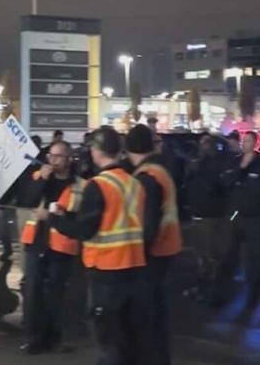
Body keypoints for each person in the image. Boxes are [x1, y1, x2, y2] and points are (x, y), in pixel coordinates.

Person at [50, 128, 150, 365]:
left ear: (96, 151)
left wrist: (56, 219)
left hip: (106, 269)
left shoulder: (98, 185)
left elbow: (85, 230)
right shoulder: (134, 183)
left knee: (107, 333)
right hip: (135, 265)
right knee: (128, 331)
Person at [19, 141, 86, 354]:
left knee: (56, 292)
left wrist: (62, 217)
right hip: (37, 240)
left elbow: (82, 217)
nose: (53, 160)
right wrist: (43, 179)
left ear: (69, 159)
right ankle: (33, 337)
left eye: (58, 156)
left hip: (62, 245)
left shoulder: (81, 185)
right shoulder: (40, 177)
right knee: (33, 291)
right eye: (50, 155)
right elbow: (27, 200)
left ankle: (55, 336)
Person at [126, 125, 182, 365]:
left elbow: (147, 225)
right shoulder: (160, 170)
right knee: (156, 314)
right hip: (167, 248)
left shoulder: (146, 177)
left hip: (153, 254)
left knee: (148, 317)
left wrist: (136, 254)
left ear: (130, 149)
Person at [219, 131, 260, 311]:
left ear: (256, 144)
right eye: (243, 140)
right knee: (228, 253)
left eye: (248, 140)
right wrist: (241, 168)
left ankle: (253, 296)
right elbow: (226, 181)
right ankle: (220, 293)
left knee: (254, 258)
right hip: (235, 214)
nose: (244, 143)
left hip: (255, 218)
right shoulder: (235, 161)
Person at [184, 134, 230, 304]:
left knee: (208, 256)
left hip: (208, 215)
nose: (203, 147)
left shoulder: (210, 165)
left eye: (205, 144)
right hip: (207, 214)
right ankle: (208, 289)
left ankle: (210, 292)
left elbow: (211, 188)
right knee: (208, 255)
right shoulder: (205, 164)